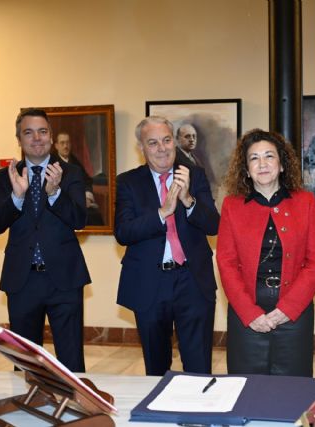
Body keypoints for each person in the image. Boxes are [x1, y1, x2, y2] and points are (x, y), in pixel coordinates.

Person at [0, 108, 91, 372]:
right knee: (25, 363)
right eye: (28, 132)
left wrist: (55, 193)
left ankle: (74, 400)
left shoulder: (71, 173)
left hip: (64, 280)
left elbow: (79, 220)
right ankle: (29, 400)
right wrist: (16, 197)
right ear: (19, 139)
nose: (36, 138)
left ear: (51, 137)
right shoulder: (6, 176)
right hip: (22, 281)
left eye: (42, 132)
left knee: (71, 361)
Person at [114, 116, 220, 376]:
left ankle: (197, 403)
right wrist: (162, 213)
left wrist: (188, 199)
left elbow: (213, 225)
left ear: (174, 142)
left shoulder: (194, 175)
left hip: (192, 281)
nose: (162, 148)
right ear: (141, 148)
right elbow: (123, 232)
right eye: (153, 143)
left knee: (198, 368)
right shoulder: (128, 182)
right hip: (150, 282)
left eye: (166, 140)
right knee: (156, 368)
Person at [217, 129, 315, 377]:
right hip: (247, 314)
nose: (262, 163)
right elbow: (226, 263)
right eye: (254, 158)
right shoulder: (232, 206)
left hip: (293, 314)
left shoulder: (305, 202)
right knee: (247, 385)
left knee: (293, 387)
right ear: (246, 170)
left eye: (269, 156)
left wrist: (288, 309)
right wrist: (250, 313)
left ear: (282, 165)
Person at [53, 131, 104, 225]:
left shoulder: (75, 161)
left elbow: (87, 180)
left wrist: (87, 197)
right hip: (59, 204)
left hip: (77, 202)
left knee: (95, 216)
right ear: (56, 146)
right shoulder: (52, 162)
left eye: (67, 142)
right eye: (62, 143)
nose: (65, 146)